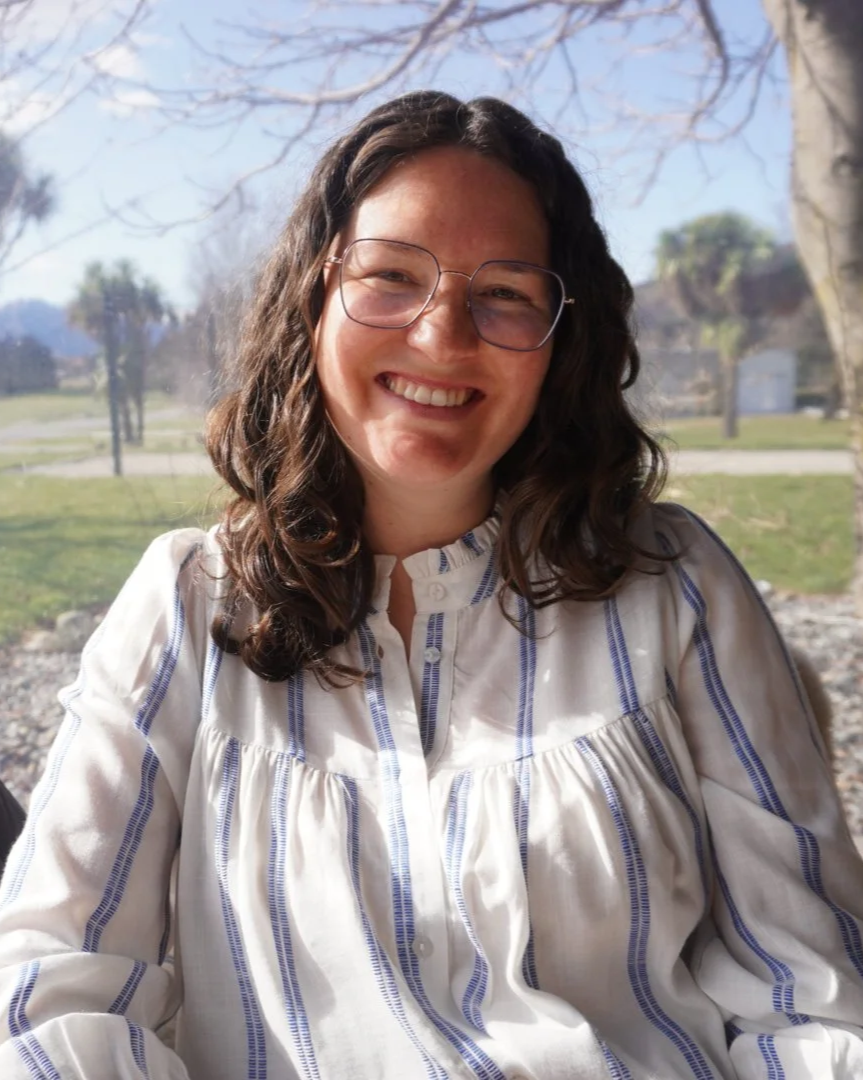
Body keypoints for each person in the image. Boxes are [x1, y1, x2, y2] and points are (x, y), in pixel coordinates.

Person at [0, 90, 861, 1080]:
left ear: (558, 338)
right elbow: (48, 990)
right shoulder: (186, 604)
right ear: (314, 300)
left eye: (503, 293)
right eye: (390, 276)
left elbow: (809, 990)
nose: (440, 335)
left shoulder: (675, 590)